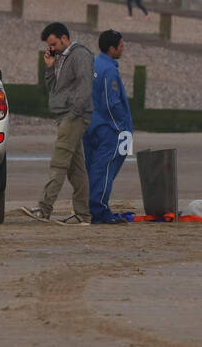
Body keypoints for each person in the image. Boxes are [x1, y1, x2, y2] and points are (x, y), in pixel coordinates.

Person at [21, 23, 94, 225]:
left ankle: (44, 208)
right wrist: (50, 68)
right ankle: (83, 215)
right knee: (76, 168)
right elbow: (54, 89)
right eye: (50, 45)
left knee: (59, 162)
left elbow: (85, 85)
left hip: (73, 117)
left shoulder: (80, 55)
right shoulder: (62, 57)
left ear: (64, 38)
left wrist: (74, 114)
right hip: (65, 116)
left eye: (54, 43)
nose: (53, 48)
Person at [84, 30, 133, 224]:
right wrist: (120, 126)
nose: (123, 48)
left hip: (90, 124)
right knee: (104, 170)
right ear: (112, 49)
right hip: (107, 128)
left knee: (93, 168)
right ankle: (100, 210)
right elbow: (111, 103)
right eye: (121, 46)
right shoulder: (109, 70)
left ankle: (92, 207)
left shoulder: (92, 64)